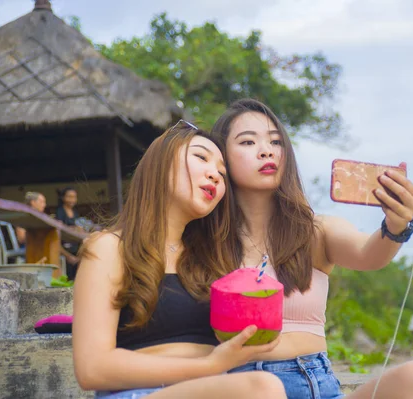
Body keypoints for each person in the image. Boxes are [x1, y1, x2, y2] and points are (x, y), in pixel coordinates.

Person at [210, 99, 413, 399]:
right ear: (220, 158)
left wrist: (395, 225)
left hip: (319, 386)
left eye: (276, 141)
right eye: (248, 141)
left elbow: (369, 253)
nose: (266, 150)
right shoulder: (204, 243)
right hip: (243, 388)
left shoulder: (314, 230)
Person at [72, 121, 287, 399]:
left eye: (222, 173)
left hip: (215, 388)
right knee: (262, 388)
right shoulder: (109, 248)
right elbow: (92, 368)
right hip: (136, 393)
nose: (216, 176)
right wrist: (208, 365)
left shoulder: (212, 265)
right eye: (201, 157)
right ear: (159, 164)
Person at [55, 187, 82, 280]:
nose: (72, 199)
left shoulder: (75, 213)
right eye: (69, 197)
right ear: (63, 198)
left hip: (74, 244)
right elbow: (59, 229)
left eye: (74, 197)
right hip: (64, 244)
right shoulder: (60, 212)